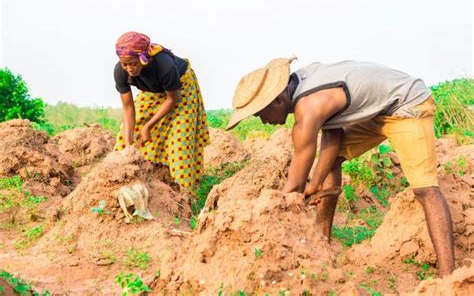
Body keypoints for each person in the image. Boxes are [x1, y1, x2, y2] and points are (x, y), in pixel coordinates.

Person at [227, 58, 454, 277]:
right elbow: (333, 131)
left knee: (426, 190)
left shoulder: (309, 107)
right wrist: (316, 183)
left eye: (260, 114)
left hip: (407, 104)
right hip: (377, 110)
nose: (263, 121)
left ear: (277, 101)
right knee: (331, 163)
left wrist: (266, 220)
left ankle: (448, 279)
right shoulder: (301, 81)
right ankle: (323, 246)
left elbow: (295, 184)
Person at [114, 31, 209, 190]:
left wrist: (148, 126)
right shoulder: (120, 71)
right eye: (125, 64)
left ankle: (184, 196)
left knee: (180, 142)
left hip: (181, 90)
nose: (129, 68)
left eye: (133, 63)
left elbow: (172, 99)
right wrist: (129, 145)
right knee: (124, 141)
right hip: (153, 91)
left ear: (143, 59)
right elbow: (128, 107)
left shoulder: (164, 66)